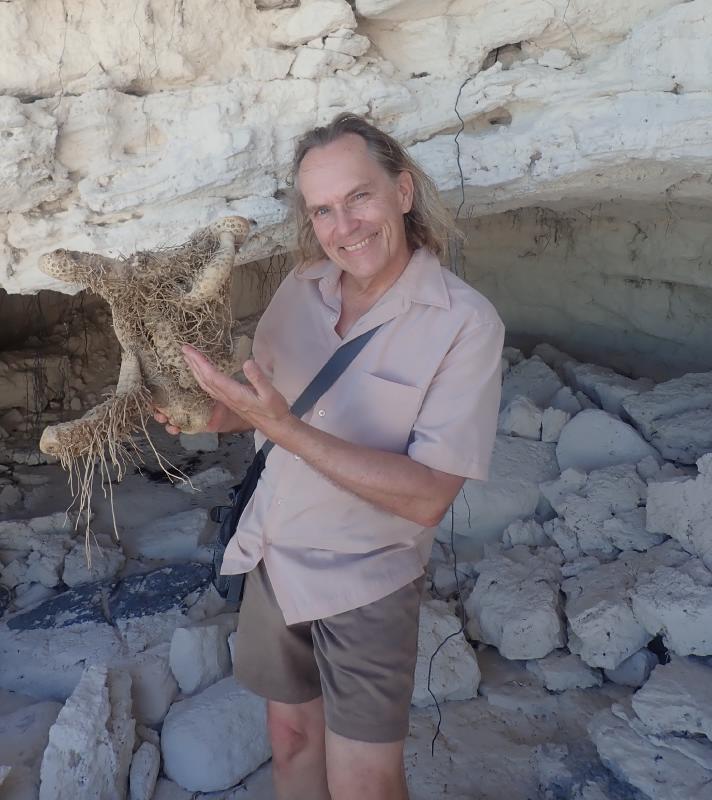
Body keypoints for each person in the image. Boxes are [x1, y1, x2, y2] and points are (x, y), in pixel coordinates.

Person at [155, 113, 504, 800]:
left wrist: (283, 428)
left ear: (403, 191)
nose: (344, 226)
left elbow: (429, 496)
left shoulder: (465, 323)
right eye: (322, 210)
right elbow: (266, 405)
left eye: (359, 197)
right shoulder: (301, 287)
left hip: (366, 579)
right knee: (289, 742)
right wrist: (209, 412)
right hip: (274, 556)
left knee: (365, 782)